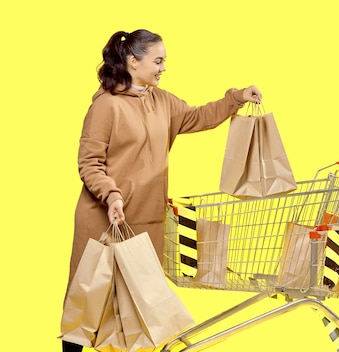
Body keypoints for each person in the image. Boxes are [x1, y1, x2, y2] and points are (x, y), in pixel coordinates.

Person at [61, 29, 262, 352]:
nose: (163, 67)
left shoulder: (163, 101)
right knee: (88, 305)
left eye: (163, 61)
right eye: (157, 60)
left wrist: (237, 97)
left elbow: (199, 117)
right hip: (104, 221)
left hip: (145, 221)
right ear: (132, 61)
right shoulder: (106, 107)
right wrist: (112, 195)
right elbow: (89, 163)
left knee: (139, 310)